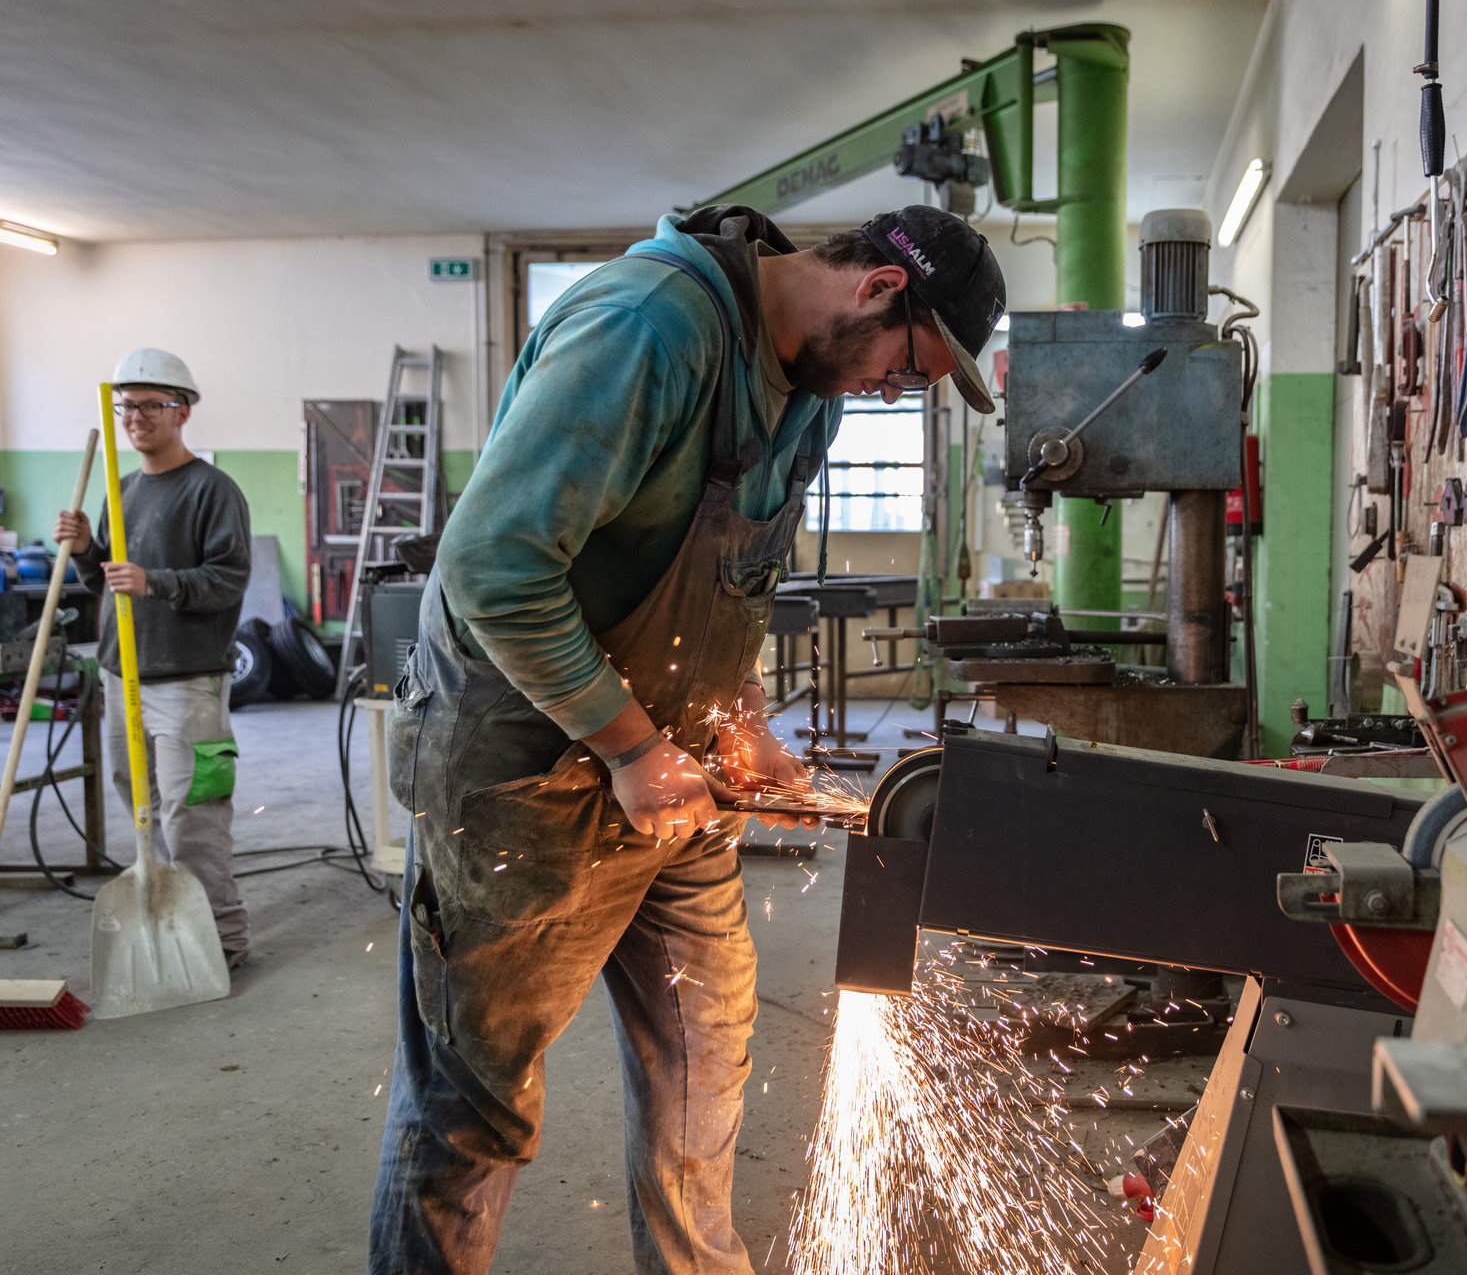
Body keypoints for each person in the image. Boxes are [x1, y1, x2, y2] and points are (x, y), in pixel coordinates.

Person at [367, 204, 1004, 1274]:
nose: (892, 390)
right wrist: (626, 747)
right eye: (908, 368)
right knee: (475, 1102)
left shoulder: (810, 392)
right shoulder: (648, 327)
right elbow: (492, 570)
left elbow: (729, 584)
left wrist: (738, 720)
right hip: (525, 760)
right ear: (879, 290)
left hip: (668, 763)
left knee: (704, 1053)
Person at [57, 347, 253, 968]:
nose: (135, 417)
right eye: (126, 406)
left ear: (183, 412)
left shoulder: (212, 491)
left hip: (186, 684)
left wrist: (157, 582)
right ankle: (173, 925)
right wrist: (90, 550)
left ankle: (222, 943)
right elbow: (108, 583)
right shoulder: (124, 485)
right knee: (138, 805)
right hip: (122, 676)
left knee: (191, 814)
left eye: (151, 405)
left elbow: (227, 580)